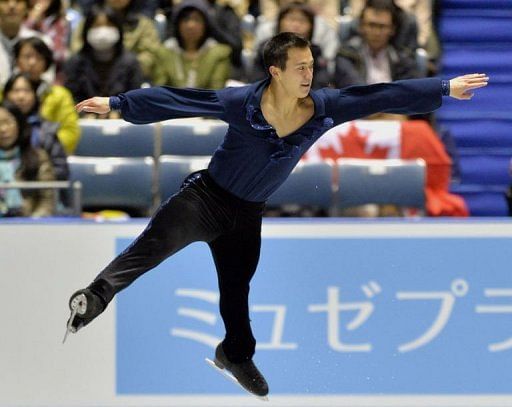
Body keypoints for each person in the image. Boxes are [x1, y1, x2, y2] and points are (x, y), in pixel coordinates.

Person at [64, 32, 488, 397]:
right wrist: (118, 102)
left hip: (246, 215)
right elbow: (179, 99)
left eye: (311, 66)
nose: (309, 75)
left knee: (237, 291)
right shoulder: (240, 102)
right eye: (300, 67)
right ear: (276, 71)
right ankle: (95, 297)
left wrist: (445, 88)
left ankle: (234, 354)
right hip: (204, 199)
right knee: (151, 249)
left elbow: (380, 94)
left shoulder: (324, 107)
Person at [64, 5, 143, 113]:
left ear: (118, 29)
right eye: (97, 26)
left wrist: (118, 112)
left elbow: (135, 100)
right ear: (87, 30)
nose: (103, 31)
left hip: (122, 123)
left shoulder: (131, 62)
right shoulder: (75, 62)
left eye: (109, 25)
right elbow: (70, 99)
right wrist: (85, 114)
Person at [14, 36, 80, 153]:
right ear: (17, 60)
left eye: (39, 57)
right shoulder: (4, 93)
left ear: (46, 63)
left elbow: (70, 133)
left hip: (48, 158)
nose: (32, 62)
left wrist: (41, 148)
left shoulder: (60, 95)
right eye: (27, 57)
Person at [334, 0, 419, 88]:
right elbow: (356, 92)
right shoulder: (347, 55)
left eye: (382, 26)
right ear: (361, 26)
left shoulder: (402, 60)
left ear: (392, 29)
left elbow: (408, 92)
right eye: (371, 25)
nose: (376, 32)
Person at [70, 0, 161, 81]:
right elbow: (77, 48)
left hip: (127, 78)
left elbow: (150, 56)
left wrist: (122, 69)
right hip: (90, 76)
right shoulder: (87, 21)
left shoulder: (143, 25)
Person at [249, 1, 331, 89]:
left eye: (302, 20)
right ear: (279, 22)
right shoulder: (265, 49)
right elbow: (257, 82)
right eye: (291, 19)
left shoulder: (316, 52)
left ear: (311, 27)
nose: (296, 25)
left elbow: (321, 85)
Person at [153, 0, 232, 89]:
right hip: (170, 102)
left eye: (197, 19)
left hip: (207, 102)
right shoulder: (164, 52)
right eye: (186, 19)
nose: (191, 25)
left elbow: (216, 92)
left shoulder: (219, 53)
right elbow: (159, 91)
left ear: (205, 24)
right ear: (177, 24)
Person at [3, 72, 68, 180]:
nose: (21, 96)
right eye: (16, 91)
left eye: (27, 91)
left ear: (35, 96)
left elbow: (61, 170)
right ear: (6, 94)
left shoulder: (47, 131)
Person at [0, 100, 56, 217]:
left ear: (19, 124)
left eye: (8, 122)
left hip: (31, 225)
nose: (3, 129)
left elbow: (47, 201)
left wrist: (32, 225)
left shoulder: (38, 157)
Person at [23, 0, 69, 81]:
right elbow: (18, 42)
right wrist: (32, 20)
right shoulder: (20, 15)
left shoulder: (59, 22)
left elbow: (59, 55)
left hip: (51, 76)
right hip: (22, 74)